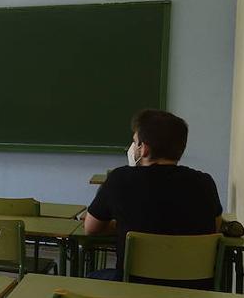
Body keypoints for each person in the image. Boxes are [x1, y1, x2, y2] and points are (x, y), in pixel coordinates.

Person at [84, 109, 223, 284]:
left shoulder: (119, 179)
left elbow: (91, 228)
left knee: (91, 278)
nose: (132, 147)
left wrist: (122, 227)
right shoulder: (204, 182)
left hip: (133, 288)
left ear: (144, 149)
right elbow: (214, 227)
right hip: (193, 292)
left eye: (135, 142)